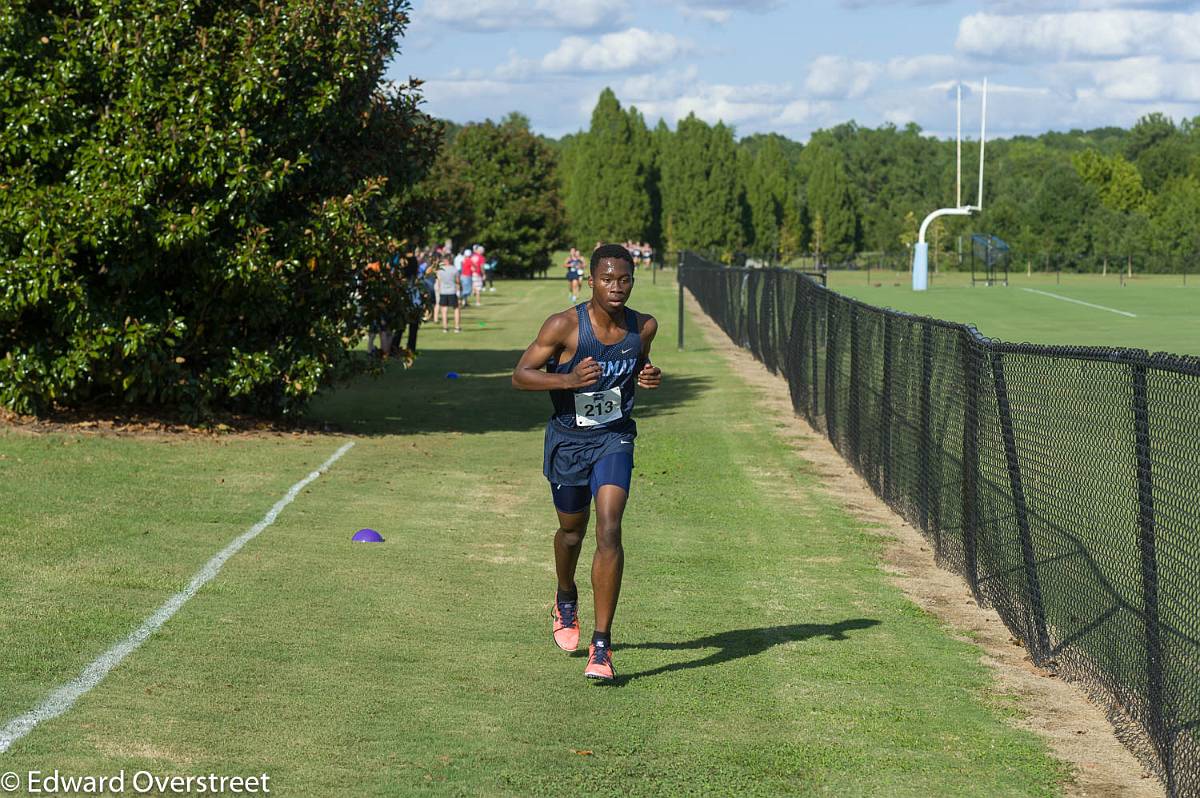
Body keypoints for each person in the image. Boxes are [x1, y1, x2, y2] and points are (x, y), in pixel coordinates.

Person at [511, 244, 662, 682]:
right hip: (569, 442)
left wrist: (648, 375)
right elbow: (520, 375)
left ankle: (602, 645)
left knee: (610, 527)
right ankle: (565, 595)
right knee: (572, 532)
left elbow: (638, 364)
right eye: (608, 280)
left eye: (625, 280)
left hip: (614, 437)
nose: (617, 288)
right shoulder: (564, 326)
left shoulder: (644, 326)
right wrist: (568, 379)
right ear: (591, 280)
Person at [435, 257, 461, 333]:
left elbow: (439, 281)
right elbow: (457, 281)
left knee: (444, 310)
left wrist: (439, 290)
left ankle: (445, 328)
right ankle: (457, 327)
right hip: (452, 291)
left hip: (443, 291)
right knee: (456, 309)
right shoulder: (454, 269)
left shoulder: (440, 270)